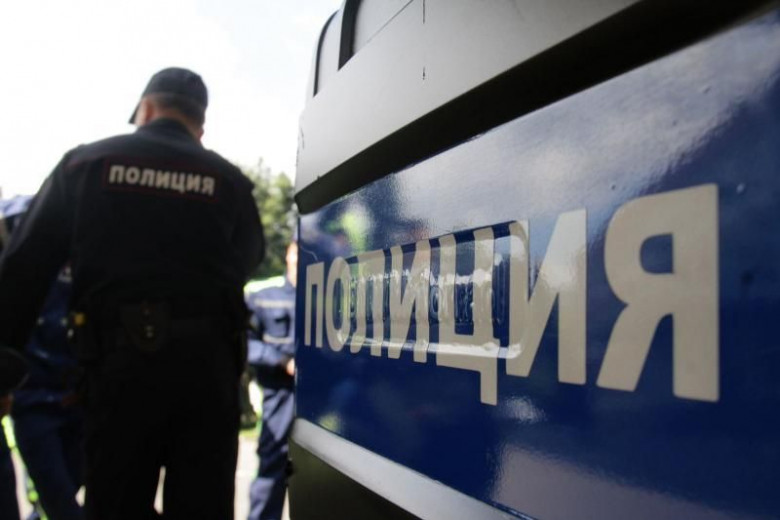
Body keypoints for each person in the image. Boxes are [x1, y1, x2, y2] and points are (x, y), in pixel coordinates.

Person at [0, 67, 265, 520]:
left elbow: (25, 268)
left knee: (116, 504)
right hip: (206, 377)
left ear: (146, 109)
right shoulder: (230, 182)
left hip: (116, 372)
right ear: (200, 126)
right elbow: (249, 257)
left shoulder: (85, 165)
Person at [1, 195, 85, 520]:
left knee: (67, 490)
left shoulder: (75, 267)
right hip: (32, 402)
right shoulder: (13, 275)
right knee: (61, 503)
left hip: (75, 400)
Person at [247, 240, 297, 520]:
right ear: (289, 253)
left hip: (320, 396)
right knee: (272, 465)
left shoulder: (326, 295)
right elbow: (246, 343)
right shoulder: (263, 295)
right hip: (279, 393)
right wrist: (281, 360)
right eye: (298, 251)